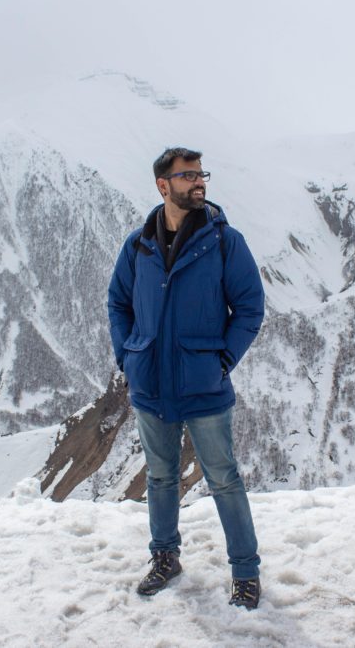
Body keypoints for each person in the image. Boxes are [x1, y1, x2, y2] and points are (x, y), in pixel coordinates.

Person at [107, 146, 265, 610]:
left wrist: (221, 361)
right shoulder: (138, 245)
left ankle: (246, 573)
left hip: (203, 384)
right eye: (189, 175)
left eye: (202, 174)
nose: (200, 182)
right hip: (151, 384)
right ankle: (165, 557)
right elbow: (119, 303)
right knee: (160, 478)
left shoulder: (223, 241)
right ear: (163, 185)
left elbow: (250, 308)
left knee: (225, 480)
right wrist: (127, 355)